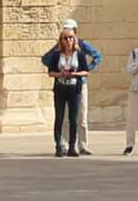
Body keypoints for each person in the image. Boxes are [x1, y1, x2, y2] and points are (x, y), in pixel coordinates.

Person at [41, 26, 90, 156]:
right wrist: (61, 74)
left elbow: (86, 72)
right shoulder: (57, 55)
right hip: (60, 89)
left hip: (74, 89)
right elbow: (50, 73)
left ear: (74, 40)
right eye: (66, 38)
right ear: (61, 40)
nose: (68, 40)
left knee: (73, 119)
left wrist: (75, 73)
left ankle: (72, 147)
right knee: (60, 118)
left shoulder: (79, 54)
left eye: (71, 38)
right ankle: (58, 146)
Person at [63, 19, 103, 153]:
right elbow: (47, 58)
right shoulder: (60, 47)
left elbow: (98, 56)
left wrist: (87, 69)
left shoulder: (83, 45)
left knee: (82, 116)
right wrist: (59, 72)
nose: (68, 34)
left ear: (75, 31)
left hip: (80, 84)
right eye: (65, 30)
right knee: (66, 116)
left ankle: (83, 144)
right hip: (65, 85)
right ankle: (65, 145)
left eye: (70, 30)